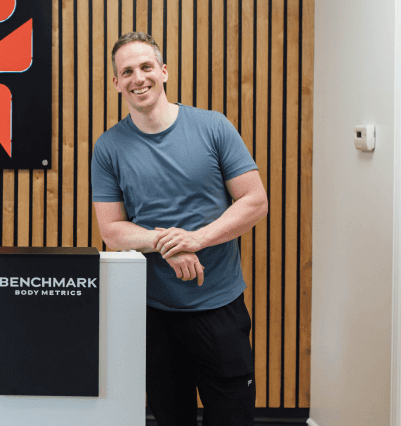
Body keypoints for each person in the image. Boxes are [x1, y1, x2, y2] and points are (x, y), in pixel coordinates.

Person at [91, 32, 268, 426]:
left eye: (146, 67)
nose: (138, 78)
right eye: (127, 72)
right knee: (172, 419)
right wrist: (168, 243)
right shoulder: (109, 148)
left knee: (233, 418)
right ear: (116, 83)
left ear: (164, 71)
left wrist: (196, 239)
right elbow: (112, 231)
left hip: (220, 307)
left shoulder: (213, 127)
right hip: (155, 313)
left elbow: (255, 201)